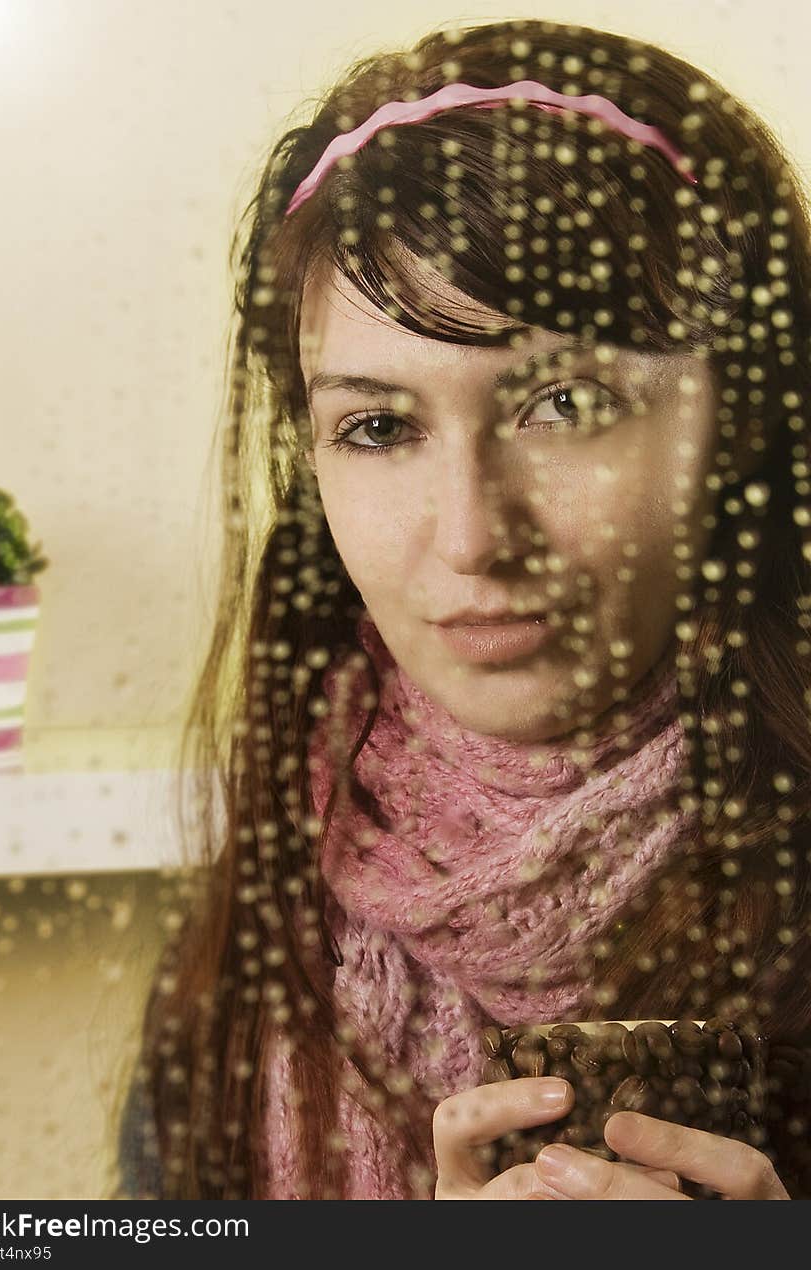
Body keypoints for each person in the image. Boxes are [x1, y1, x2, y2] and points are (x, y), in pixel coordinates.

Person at [116, 15, 811, 1200]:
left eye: (565, 403)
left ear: (736, 425)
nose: (473, 534)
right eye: (378, 426)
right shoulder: (268, 916)